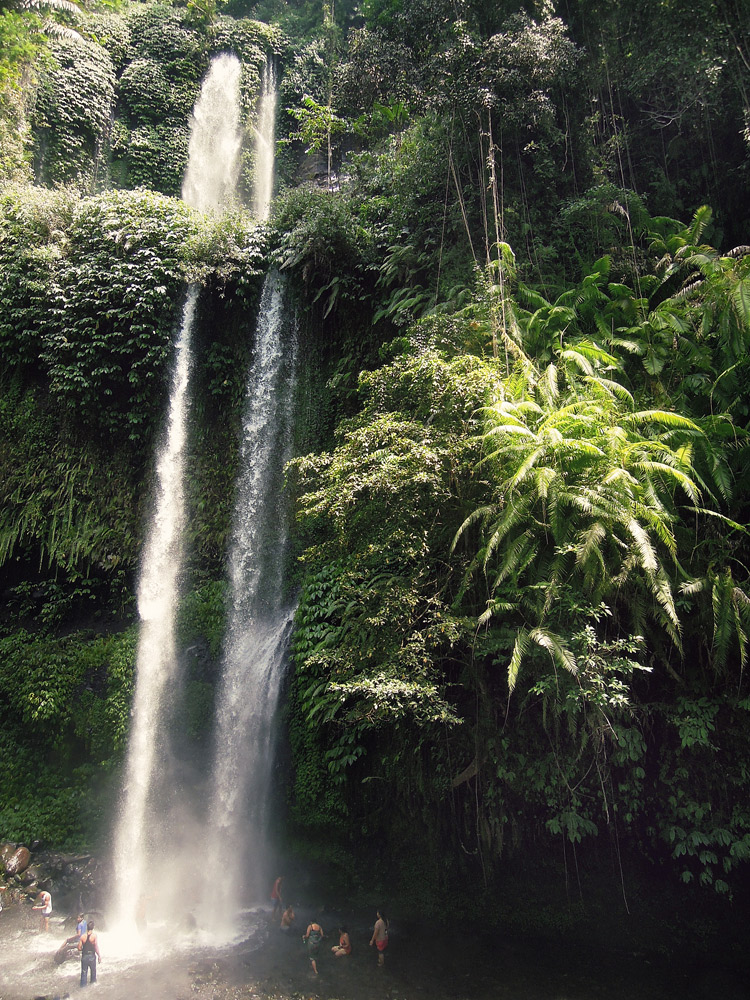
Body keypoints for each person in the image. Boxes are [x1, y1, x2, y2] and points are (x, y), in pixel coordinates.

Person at [78, 919, 101, 987]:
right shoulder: (94, 936)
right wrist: (99, 956)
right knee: (93, 972)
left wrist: (84, 949)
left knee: (84, 973)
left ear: (87, 928)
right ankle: (93, 988)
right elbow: (96, 947)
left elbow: (79, 948)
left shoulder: (83, 936)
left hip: (84, 956)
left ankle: (82, 988)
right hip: (92, 956)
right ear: (93, 928)